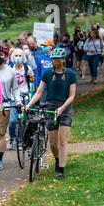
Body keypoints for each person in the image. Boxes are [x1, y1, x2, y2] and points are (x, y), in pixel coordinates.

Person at [25, 48, 77, 180]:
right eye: (53, 59)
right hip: (50, 106)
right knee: (53, 143)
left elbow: (72, 96)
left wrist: (63, 107)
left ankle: (61, 169)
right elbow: (39, 92)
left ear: (63, 60)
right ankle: (57, 158)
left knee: (62, 140)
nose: (55, 61)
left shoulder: (71, 74)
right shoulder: (47, 73)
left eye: (57, 59)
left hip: (65, 107)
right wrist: (29, 105)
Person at [0, 47, 23, 171]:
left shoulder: (10, 71)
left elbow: (15, 89)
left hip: (4, 106)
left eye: (1, 54)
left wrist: (18, 101)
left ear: (6, 57)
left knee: (0, 133)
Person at [10, 48, 34, 149]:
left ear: (23, 57)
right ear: (13, 57)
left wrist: (30, 77)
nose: (18, 57)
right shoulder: (10, 69)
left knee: (23, 120)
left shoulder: (27, 68)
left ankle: (21, 141)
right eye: (16, 55)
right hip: (13, 97)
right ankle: (12, 138)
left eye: (20, 55)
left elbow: (32, 81)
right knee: (13, 121)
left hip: (25, 96)